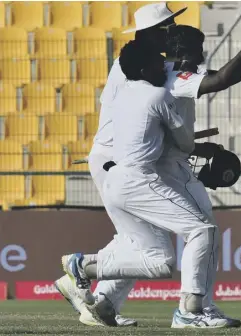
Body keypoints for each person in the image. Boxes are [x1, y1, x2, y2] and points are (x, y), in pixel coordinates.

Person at [59, 11, 241, 329]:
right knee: (198, 231)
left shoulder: (157, 67)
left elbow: (216, 76)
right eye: (168, 27)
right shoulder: (157, 73)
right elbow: (218, 81)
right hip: (134, 164)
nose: (171, 30)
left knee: (153, 252)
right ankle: (193, 308)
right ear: (157, 36)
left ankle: (101, 296)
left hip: (134, 162)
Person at [54, 2, 186, 327]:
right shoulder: (137, 65)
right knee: (148, 247)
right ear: (148, 35)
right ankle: (80, 269)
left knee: (136, 242)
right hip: (116, 160)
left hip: (117, 158)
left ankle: (102, 304)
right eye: (165, 29)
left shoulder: (137, 62)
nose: (171, 34)